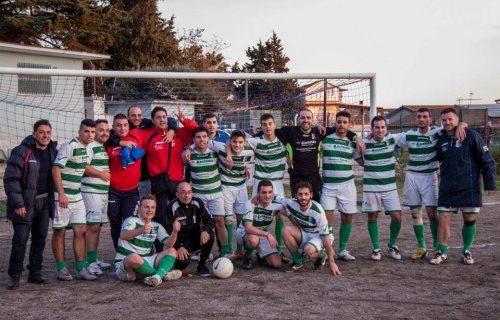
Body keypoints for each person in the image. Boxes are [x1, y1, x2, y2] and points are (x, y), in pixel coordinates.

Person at [430, 108, 496, 265]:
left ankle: (466, 251)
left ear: (457, 120)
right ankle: (442, 251)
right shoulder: (441, 140)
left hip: (469, 186)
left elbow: (486, 160)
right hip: (448, 187)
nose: (447, 122)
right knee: (443, 218)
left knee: (469, 219)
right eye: (444, 120)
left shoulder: (471, 135)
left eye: (450, 119)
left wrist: (490, 184)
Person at [4, 120, 58, 289]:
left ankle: (35, 272)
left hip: (45, 202)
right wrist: (19, 203)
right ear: (34, 134)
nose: (45, 136)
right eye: (41, 132)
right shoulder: (22, 151)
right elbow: (11, 180)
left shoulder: (52, 151)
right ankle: (15, 275)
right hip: (25, 204)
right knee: (20, 240)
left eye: (48, 132)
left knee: (40, 239)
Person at [276, 108, 361, 201]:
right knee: (299, 206)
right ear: (298, 119)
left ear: (312, 120)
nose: (305, 120)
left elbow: (342, 129)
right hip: (297, 177)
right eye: (303, 118)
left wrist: (356, 138)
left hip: (314, 177)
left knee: (316, 206)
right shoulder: (290, 131)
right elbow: (271, 131)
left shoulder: (319, 132)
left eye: (308, 118)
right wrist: (284, 155)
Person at [52, 119, 97, 281]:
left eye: (92, 132)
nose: (90, 135)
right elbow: (56, 168)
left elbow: (82, 167)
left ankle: (81, 268)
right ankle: (61, 269)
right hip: (62, 195)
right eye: (86, 131)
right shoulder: (69, 145)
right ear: (79, 132)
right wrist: (62, 193)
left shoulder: (88, 149)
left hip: (77, 195)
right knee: (60, 231)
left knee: (80, 231)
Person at [356, 116, 403, 261]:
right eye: (377, 127)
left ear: (386, 129)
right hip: (371, 187)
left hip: (390, 188)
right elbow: (357, 157)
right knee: (373, 216)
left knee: (397, 216)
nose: (380, 130)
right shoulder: (364, 143)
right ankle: (376, 248)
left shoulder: (392, 139)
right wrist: (368, 166)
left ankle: (392, 244)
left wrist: (462, 125)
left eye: (383, 127)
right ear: (372, 129)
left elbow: (415, 134)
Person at [145, 107, 197, 233]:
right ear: (153, 120)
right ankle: (161, 244)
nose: (162, 120)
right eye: (158, 117)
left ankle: (182, 243)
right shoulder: (148, 135)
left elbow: (196, 129)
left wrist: (183, 120)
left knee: (181, 213)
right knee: (160, 214)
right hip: (159, 182)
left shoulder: (178, 133)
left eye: (164, 117)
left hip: (177, 180)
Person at [115, 195, 181, 287]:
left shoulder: (156, 226)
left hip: (145, 261)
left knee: (172, 251)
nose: (150, 210)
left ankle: (157, 277)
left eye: (152, 207)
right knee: (134, 257)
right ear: (140, 208)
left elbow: (169, 244)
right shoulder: (131, 220)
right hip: (126, 262)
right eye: (146, 207)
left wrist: (175, 231)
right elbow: (123, 235)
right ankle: (161, 274)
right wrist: (141, 230)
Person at [184, 127, 230, 257]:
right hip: (199, 195)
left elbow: (229, 147)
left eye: (204, 136)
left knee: (220, 222)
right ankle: (201, 251)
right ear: (194, 139)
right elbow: (187, 176)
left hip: (216, 192)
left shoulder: (214, 151)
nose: (202, 139)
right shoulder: (189, 155)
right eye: (198, 137)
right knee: (199, 224)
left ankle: (225, 251)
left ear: (208, 138)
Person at [319, 111, 358, 261]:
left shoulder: (352, 142)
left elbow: (361, 161)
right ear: (335, 123)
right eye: (339, 121)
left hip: (347, 186)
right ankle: (325, 249)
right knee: (326, 219)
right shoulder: (325, 139)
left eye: (344, 122)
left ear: (349, 124)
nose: (341, 125)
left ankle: (342, 250)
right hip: (328, 186)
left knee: (347, 218)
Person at [209, 130, 254, 258]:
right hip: (225, 187)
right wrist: (189, 149)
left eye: (240, 142)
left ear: (244, 143)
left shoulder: (250, 152)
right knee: (228, 219)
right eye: (234, 142)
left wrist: (246, 169)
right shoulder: (221, 147)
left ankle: (240, 248)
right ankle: (229, 249)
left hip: (241, 187)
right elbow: (204, 141)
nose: (237, 145)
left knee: (241, 217)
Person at [281, 182, 341, 275]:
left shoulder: (317, 211)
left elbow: (325, 237)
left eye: (306, 194)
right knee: (286, 230)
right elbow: (274, 198)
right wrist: (255, 199)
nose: (303, 197)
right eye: (300, 194)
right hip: (306, 232)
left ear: (311, 195)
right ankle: (298, 261)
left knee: (308, 250)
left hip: (321, 236)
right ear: (295, 195)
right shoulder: (291, 203)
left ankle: (323, 254)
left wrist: (332, 263)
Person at [106, 114, 146, 249]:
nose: (122, 128)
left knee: (130, 223)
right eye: (118, 125)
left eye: (125, 125)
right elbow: (102, 136)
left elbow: (160, 123)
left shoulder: (137, 136)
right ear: (113, 127)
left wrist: (172, 129)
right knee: (115, 224)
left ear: (129, 125)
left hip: (132, 191)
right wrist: (119, 142)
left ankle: (130, 251)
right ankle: (119, 255)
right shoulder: (109, 142)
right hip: (113, 192)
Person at [164, 182, 215, 276]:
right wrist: (178, 246)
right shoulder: (171, 207)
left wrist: (205, 231)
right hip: (180, 241)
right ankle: (174, 263)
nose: (186, 195)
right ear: (177, 194)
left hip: (195, 237)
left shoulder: (198, 202)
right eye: (183, 192)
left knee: (210, 235)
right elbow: (167, 232)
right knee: (182, 263)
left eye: (189, 192)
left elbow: (210, 219)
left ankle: (202, 265)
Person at [81, 119, 112, 275]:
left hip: (101, 193)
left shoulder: (102, 147)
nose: (104, 133)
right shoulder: (90, 146)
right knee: (92, 227)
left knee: (97, 227)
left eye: (107, 130)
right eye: (101, 130)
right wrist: (100, 174)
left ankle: (93, 258)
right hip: (91, 192)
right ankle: (89, 262)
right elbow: (83, 166)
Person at [126, 105, 177, 198]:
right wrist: (120, 142)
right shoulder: (124, 127)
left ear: (142, 116)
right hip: (130, 174)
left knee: (148, 203)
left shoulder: (147, 123)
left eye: (139, 115)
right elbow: (113, 135)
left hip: (147, 176)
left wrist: (172, 130)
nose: (136, 118)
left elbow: (169, 120)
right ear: (128, 117)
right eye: (133, 115)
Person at [237, 180, 284, 270]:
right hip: (244, 233)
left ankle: (261, 255)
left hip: (261, 234)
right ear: (258, 193)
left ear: (273, 193)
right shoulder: (250, 203)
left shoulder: (277, 203)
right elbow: (248, 228)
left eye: (270, 192)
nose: (267, 195)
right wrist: (267, 234)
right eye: (264, 192)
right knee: (254, 239)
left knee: (276, 264)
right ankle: (247, 257)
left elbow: (291, 204)